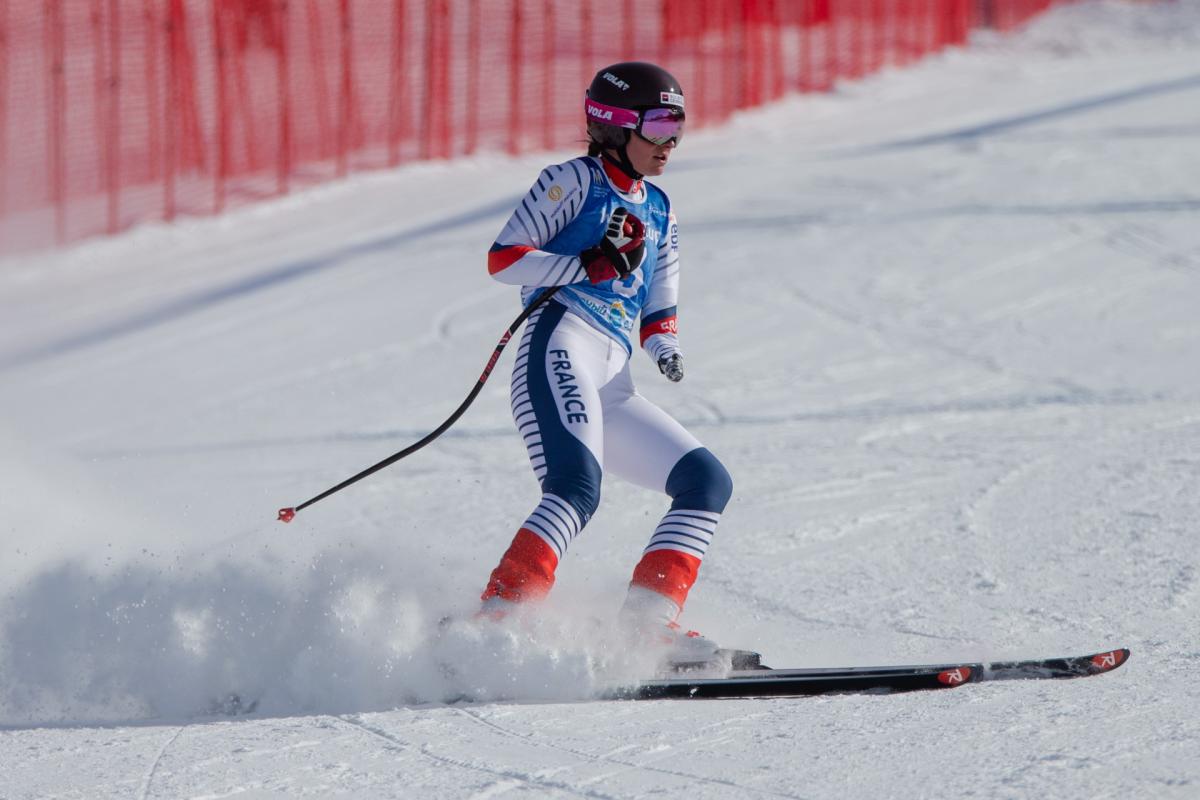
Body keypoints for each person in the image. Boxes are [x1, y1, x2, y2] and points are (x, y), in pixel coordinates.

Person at [478, 62, 733, 663]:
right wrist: (583, 266)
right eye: (660, 125)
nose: (670, 142)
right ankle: (498, 616)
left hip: (613, 378)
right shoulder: (572, 181)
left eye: (679, 127)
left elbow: (659, 300)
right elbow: (504, 259)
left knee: (706, 482)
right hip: (559, 343)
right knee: (575, 489)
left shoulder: (662, 208)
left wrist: (663, 344)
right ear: (616, 126)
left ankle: (645, 627)